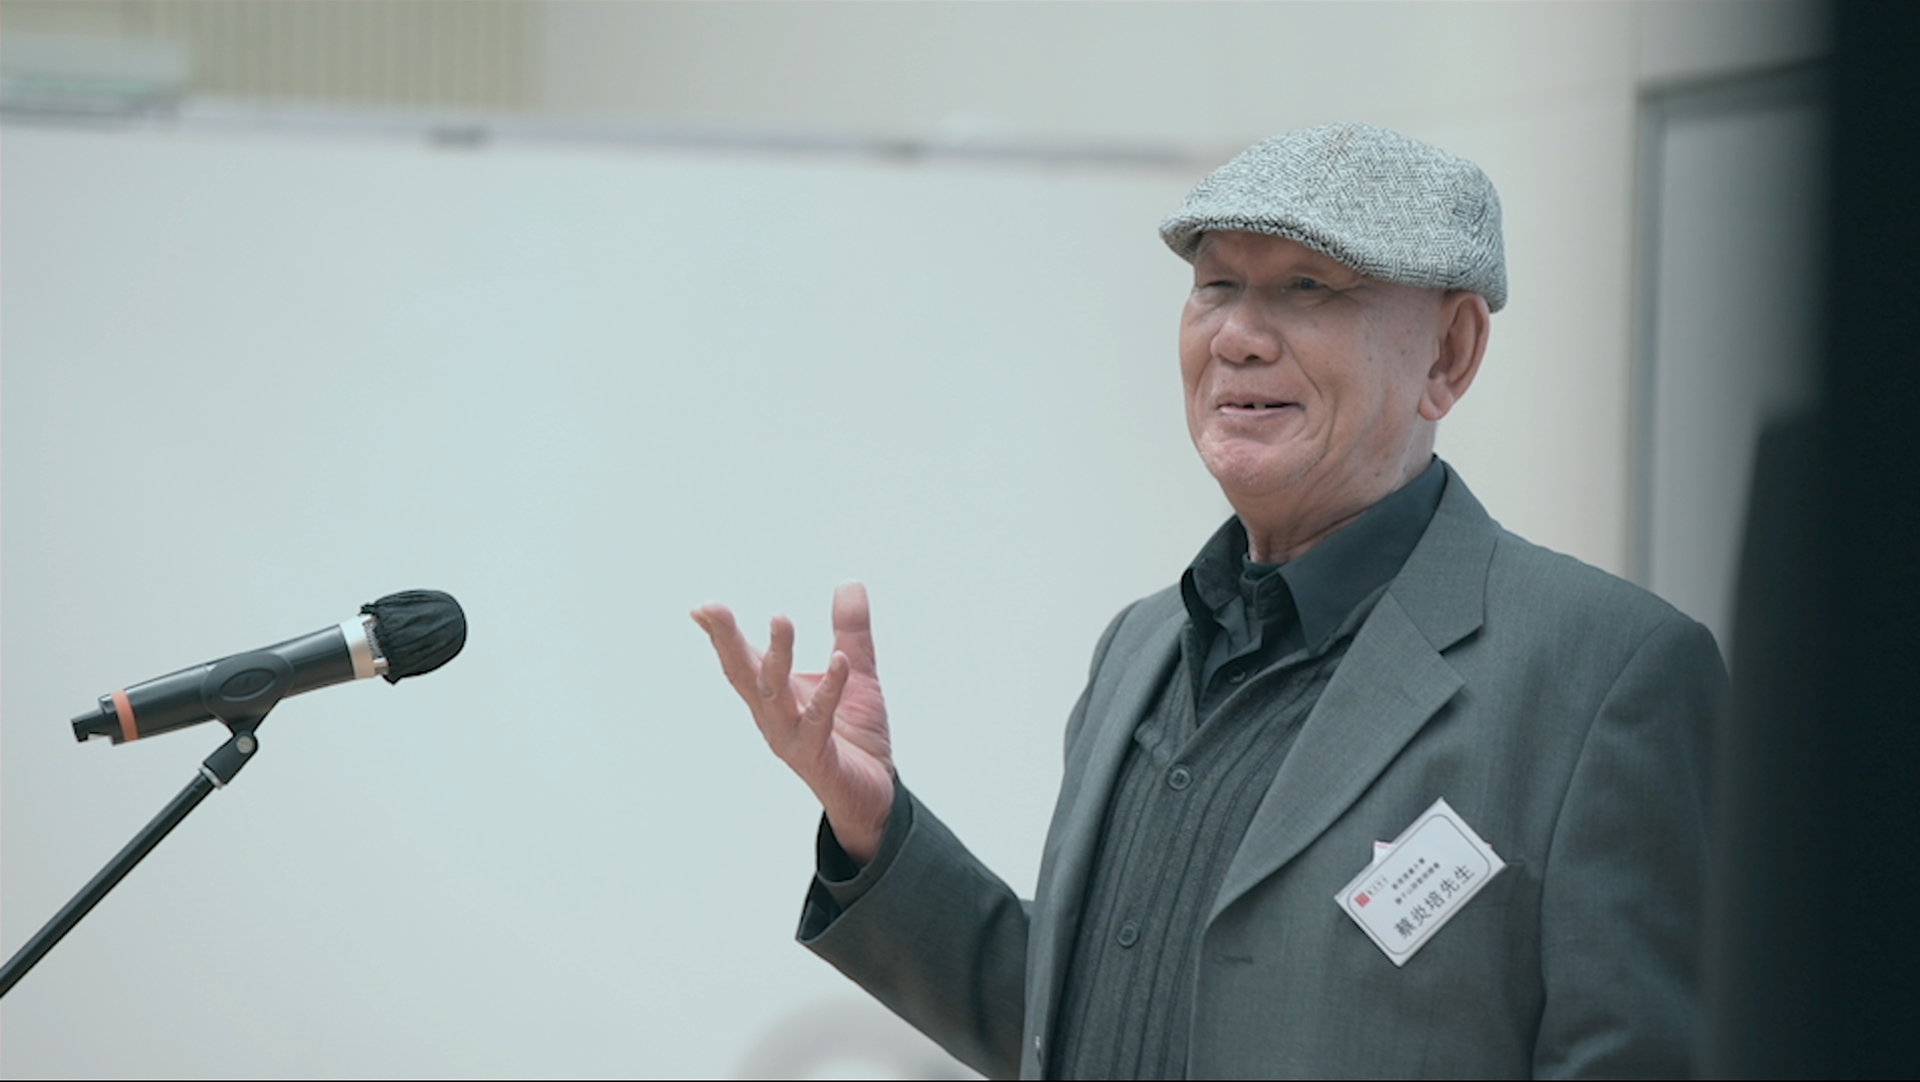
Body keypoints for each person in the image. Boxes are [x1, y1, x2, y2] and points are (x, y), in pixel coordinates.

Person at [692, 123, 1723, 1079]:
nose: (1237, 337)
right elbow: (1083, 1028)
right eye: (1215, 284)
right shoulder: (1140, 649)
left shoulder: (1605, 676)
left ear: (1447, 354)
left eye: (1309, 287)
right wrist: (875, 826)